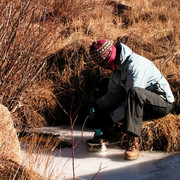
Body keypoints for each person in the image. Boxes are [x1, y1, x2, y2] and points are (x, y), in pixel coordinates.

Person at [88, 39, 174, 160]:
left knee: (134, 93)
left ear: (111, 57)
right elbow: (113, 94)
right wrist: (96, 105)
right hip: (141, 101)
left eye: (106, 65)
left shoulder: (135, 65)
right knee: (104, 84)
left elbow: (133, 99)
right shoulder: (116, 68)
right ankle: (103, 133)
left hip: (161, 103)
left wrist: (111, 118)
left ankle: (133, 141)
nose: (107, 69)